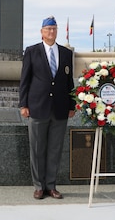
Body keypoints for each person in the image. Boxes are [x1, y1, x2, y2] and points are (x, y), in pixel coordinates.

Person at [19, 16, 76, 200]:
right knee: (37, 149)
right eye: (48, 29)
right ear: (42, 32)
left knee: (55, 149)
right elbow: (25, 80)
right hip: (37, 107)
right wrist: (23, 104)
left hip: (59, 109)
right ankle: (38, 186)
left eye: (54, 29)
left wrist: (72, 104)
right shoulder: (31, 51)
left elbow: (69, 82)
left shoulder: (66, 54)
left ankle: (51, 186)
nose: (51, 32)